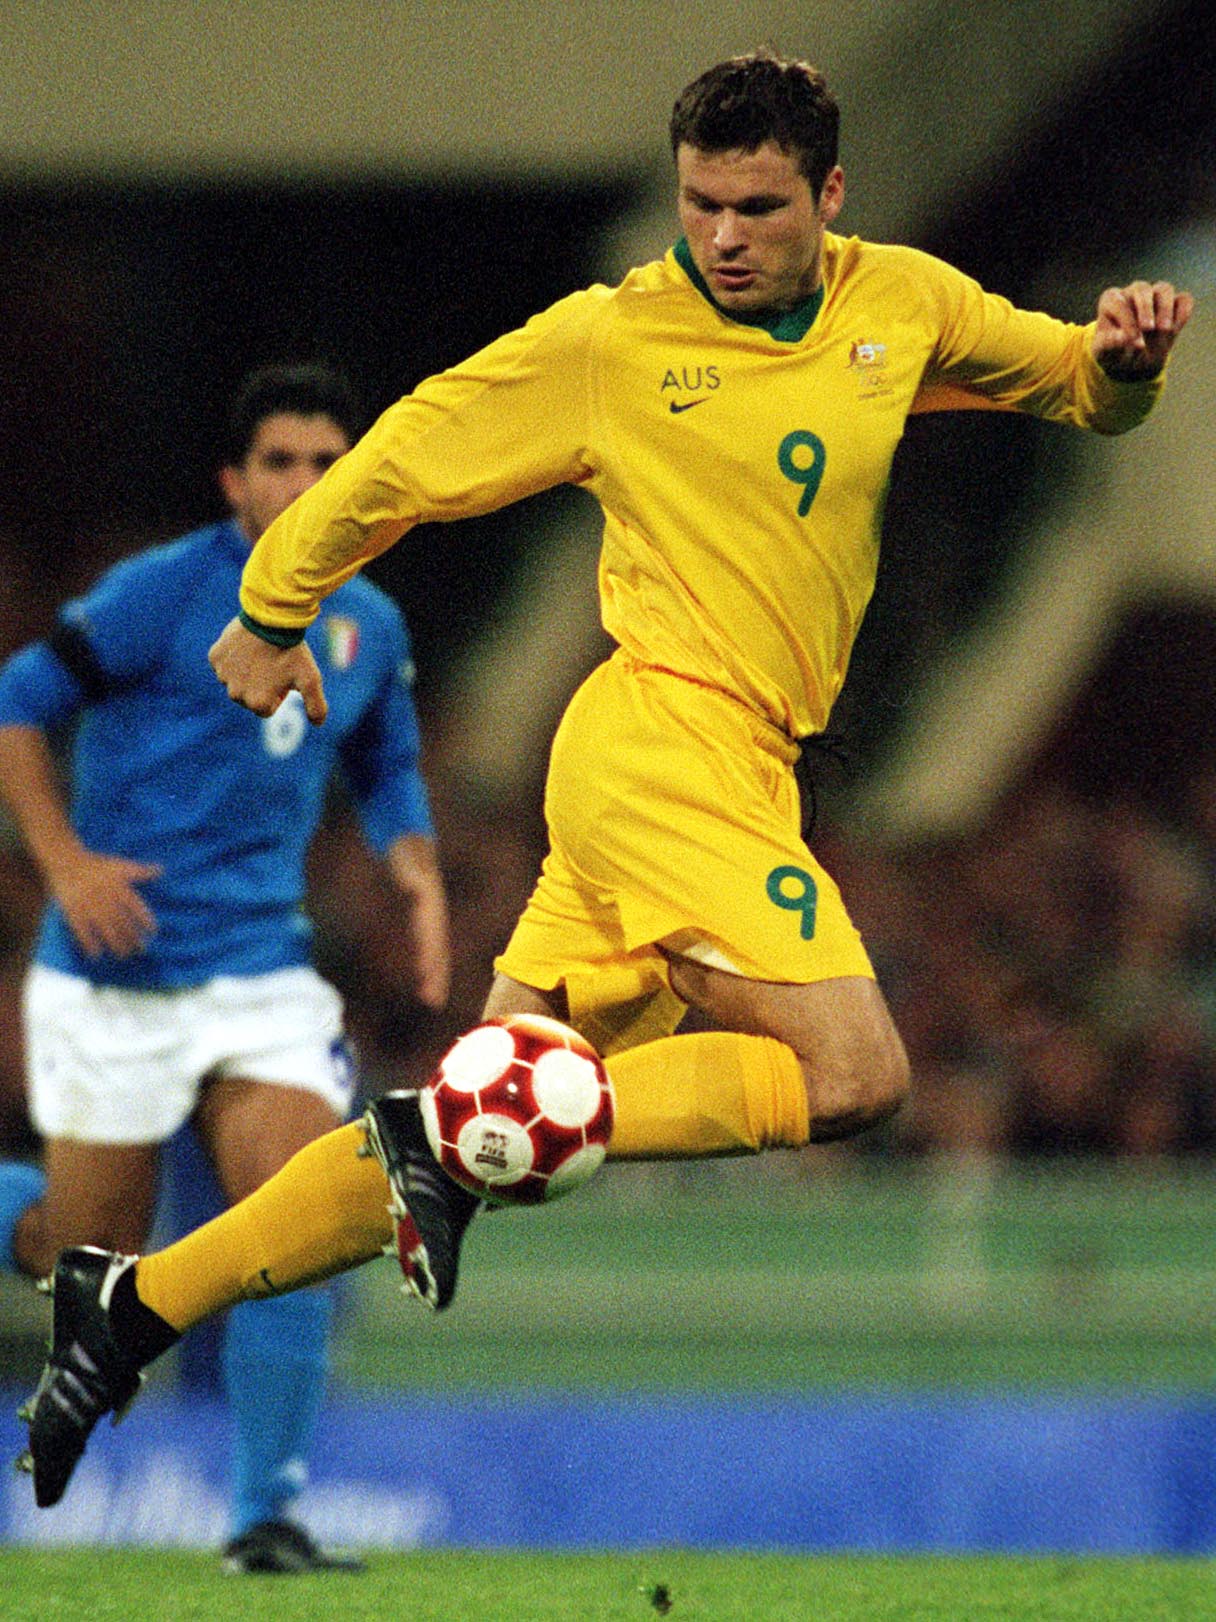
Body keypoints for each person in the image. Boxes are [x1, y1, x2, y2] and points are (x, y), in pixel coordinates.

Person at [17, 51, 1192, 1512]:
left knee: (465, 1148)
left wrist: (1127, 364)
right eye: (701, 204)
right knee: (856, 1072)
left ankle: (128, 1308)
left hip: (739, 769)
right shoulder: (615, 340)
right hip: (655, 746)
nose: (723, 236)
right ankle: (444, 1134)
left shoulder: (906, 302)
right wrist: (272, 604)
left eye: (758, 206)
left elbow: (1077, 387)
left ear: (829, 196)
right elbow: (410, 453)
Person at [0, 363, 451, 1566]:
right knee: (85, 1258)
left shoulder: (370, 620)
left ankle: (266, 1517)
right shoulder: (164, 592)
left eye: (325, 463)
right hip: (119, 976)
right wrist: (66, 866)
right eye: (281, 462)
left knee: (304, 1209)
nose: (306, 484)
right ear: (235, 481)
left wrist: (415, 868)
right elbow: (16, 698)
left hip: (259, 973)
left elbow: (386, 761)